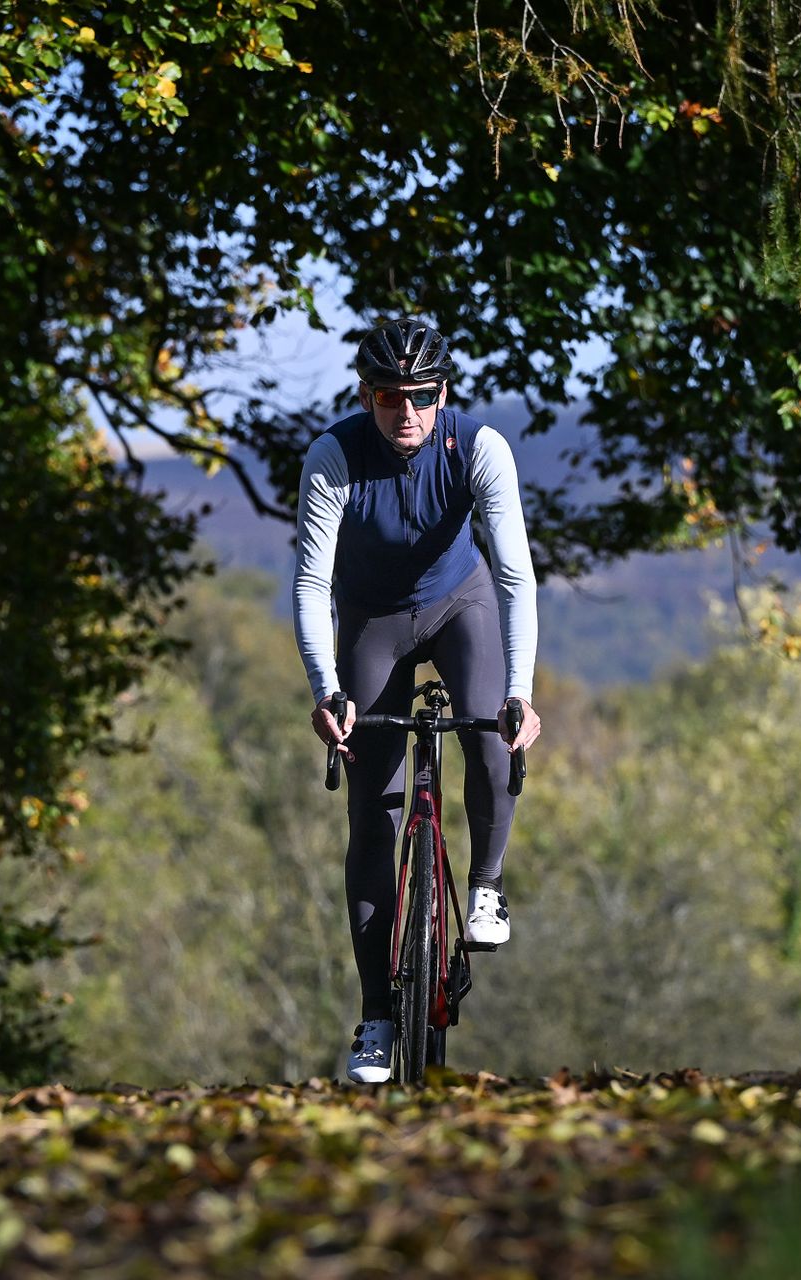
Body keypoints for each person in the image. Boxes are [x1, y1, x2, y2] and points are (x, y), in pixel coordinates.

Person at [294, 317, 543, 1084]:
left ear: (444, 393)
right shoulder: (334, 457)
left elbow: (513, 579)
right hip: (370, 619)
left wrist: (519, 692)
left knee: (492, 732)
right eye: (391, 399)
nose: (408, 414)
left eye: (423, 397)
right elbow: (311, 584)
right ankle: (375, 1017)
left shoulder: (479, 449)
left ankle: (488, 886)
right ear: (367, 397)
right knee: (373, 808)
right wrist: (327, 691)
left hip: (457, 603)